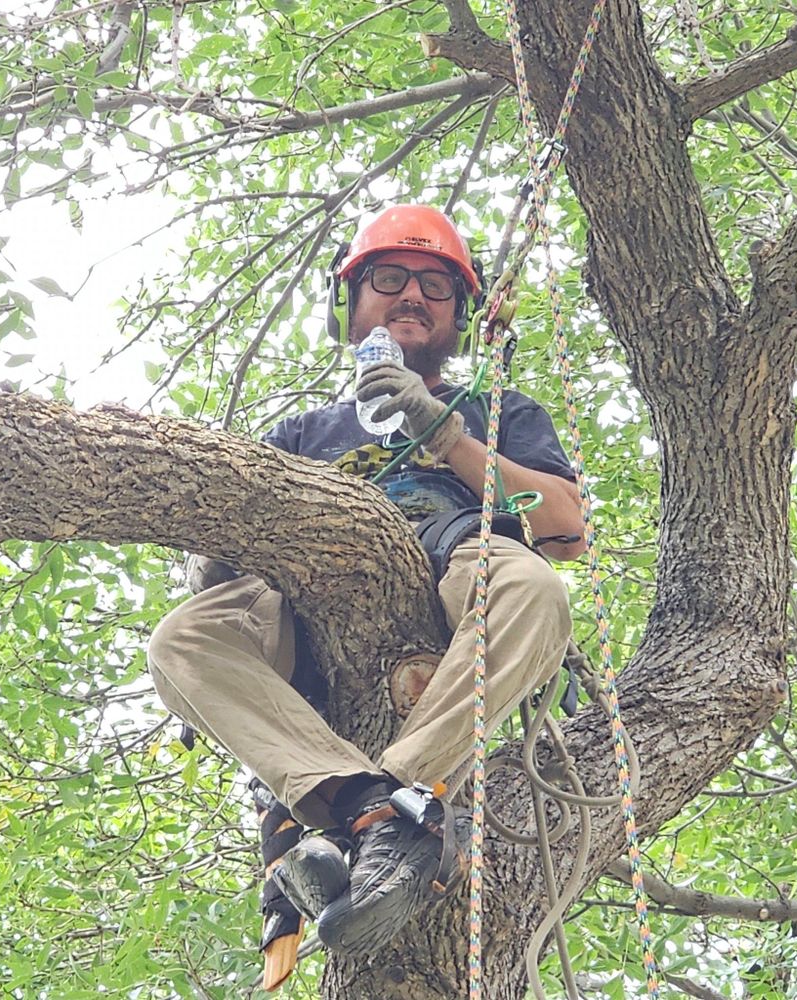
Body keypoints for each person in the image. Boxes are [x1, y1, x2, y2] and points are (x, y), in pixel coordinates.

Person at [147, 205, 585, 960]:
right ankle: (367, 806)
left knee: (536, 588)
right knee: (183, 638)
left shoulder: (495, 411)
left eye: (436, 285)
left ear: (463, 314)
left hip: (459, 558)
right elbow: (236, 536)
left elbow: (564, 526)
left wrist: (447, 434)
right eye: (389, 278)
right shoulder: (301, 435)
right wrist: (214, 558)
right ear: (347, 305)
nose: (412, 295)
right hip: (307, 599)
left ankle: (406, 790)